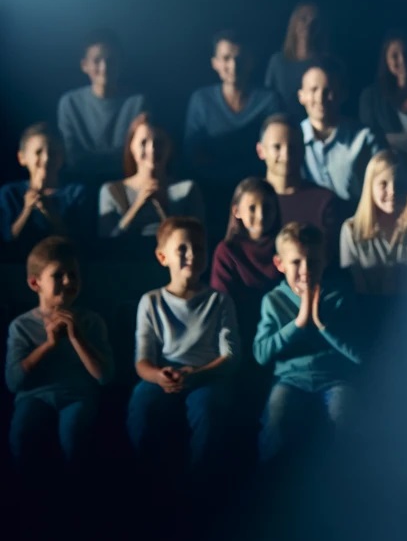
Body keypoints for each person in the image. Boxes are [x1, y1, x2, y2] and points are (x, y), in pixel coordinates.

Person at [126, 216, 238, 473]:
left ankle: (201, 482)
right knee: (141, 404)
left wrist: (198, 374)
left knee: (208, 410)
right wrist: (159, 375)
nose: (191, 255)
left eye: (199, 248)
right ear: (163, 257)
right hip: (165, 374)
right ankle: (145, 476)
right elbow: (142, 360)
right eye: (182, 249)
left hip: (208, 374)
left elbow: (231, 355)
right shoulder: (151, 301)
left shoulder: (219, 301)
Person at [253, 222, 364, 463]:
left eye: (313, 262)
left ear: (324, 261)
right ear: (280, 264)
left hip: (335, 380)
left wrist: (323, 324)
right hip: (290, 380)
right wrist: (299, 323)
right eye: (296, 262)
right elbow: (261, 353)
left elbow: (359, 354)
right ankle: (270, 486)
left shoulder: (338, 296)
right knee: (276, 420)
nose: (305, 270)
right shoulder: (274, 301)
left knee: (345, 418)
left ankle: (345, 485)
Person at [5, 236, 113, 470]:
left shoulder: (92, 321)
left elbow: (104, 376)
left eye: (73, 274)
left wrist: (76, 336)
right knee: (22, 432)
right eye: (58, 275)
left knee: (74, 435)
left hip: (78, 396)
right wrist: (48, 345)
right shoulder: (21, 326)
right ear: (35, 283)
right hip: (34, 397)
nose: (67, 281)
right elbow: (14, 381)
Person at [184, 29, 283, 185]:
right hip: (212, 189)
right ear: (215, 63)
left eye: (239, 58)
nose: (233, 65)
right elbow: (193, 154)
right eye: (226, 58)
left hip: (259, 187)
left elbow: (279, 146)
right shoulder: (202, 100)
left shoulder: (268, 100)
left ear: (251, 61)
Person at [298, 60, 385, 218]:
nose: (320, 98)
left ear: (342, 94)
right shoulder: (292, 138)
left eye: (328, 90)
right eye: (313, 89)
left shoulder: (365, 138)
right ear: (301, 96)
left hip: (357, 223)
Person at [98, 113, 205, 240]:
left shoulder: (187, 190)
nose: (152, 149)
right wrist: (137, 206)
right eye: (143, 143)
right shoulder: (111, 191)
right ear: (131, 147)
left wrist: (163, 208)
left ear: (170, 147)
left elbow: (198, 241)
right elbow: (106, 243)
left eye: (159, 143)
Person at [56, 29, 146, 181]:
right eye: (97, 61)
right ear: (84, 65)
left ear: (120, 63)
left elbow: (138, 155)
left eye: (110, 61)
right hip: (82, 185)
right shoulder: (69, 103)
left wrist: (92, 158)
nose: (104, 68)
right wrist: (118, 156)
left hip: (124, 183)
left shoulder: (137, 102)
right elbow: (72, 158)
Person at [340, 150, 407, 294]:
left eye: (399, 182)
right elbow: (355, 287)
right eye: (383, 183)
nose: (393, 190)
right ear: (370, 187)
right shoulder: (351, 231)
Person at [256, 114, 342, 259]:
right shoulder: (249, 200)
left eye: (292, 147)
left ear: (303, 150)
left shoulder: (324, 201)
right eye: (277, 147)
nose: (286, 154)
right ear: (261, 151)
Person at [210, 177, 282, 350]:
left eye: (267, 207)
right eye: (252, 208)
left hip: (279, 330)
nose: (261, 215)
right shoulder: (227, 251)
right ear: (237, 211)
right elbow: (223, 303)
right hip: (240, 334)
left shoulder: (285, 247)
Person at [0, 123, 91, 250]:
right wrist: (27, 209)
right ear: (22, 158)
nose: (46, 158)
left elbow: (78, 241)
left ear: (62, 157)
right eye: (38, 152)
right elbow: (7, 241)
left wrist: (49, 211)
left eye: (53, 152)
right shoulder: (10, 193)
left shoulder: (75, 193)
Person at [358, 30, 407, 153]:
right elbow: (368, 141)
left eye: (406, 54)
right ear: (386, 60)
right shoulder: (371, 98)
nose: (402, 60)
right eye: (395, 56)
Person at [264, 3, 329, 125]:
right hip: (283, 129)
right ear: (294, 23)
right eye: (303, 19)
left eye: (314, 22)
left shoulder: (325, 64)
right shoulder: (277, 62)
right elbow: (269, 101)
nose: (308, 25)